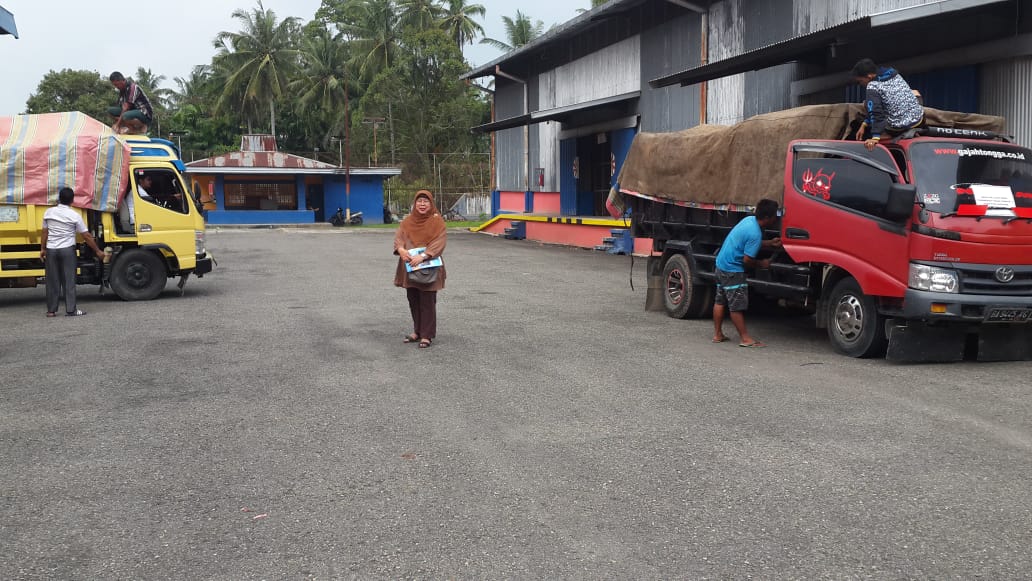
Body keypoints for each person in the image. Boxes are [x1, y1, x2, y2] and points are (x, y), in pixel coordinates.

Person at [712, 199, 781, 348]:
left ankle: (717, 334)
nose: (776, 218)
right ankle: (745, 339)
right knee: (736, 306)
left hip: (721, 264)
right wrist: (762, 264)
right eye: (775, 215)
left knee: (720, 301)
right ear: (767, 217)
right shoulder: (755, 233)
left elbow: (748, 242)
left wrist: (769, 243)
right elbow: (747, 260)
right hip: (733, 270)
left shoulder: (749, 220)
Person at [394, 190, 447, 348]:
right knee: (413, 299)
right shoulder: (407, 221)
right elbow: (399, 237)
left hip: (429, 266)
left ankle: (426, 335)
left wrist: (423, 256)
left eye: (426, 201)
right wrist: (401, 250)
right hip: (410, 266)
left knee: (427, 301)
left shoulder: (437, 222)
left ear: (431, 204)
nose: (422, 204)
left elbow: (439, 242)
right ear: (414, 203)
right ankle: (417, 331)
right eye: (419, 201)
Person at [41, 187, 105, 317]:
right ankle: (71, 310)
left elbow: (44, 232)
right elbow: (86, 236)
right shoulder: (74, 215)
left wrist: (43, 249)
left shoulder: (48, 212)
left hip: (51, 250)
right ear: (72, 200)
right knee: (69, 280)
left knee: (52, 280)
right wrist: (98, 251)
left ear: (59, 198)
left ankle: (51, 311)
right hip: (67, 250)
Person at [851, 59, 924, 151]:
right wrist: (864, 124)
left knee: (868, 103)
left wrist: (875, 137)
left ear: (869, 76)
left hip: (898, 128)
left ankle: (888, 134)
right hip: (919, 120)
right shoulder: (894, 74)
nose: (861, 84)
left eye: (860, 81)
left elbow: (876, 111)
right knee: (914, 92)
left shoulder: (872, 86)